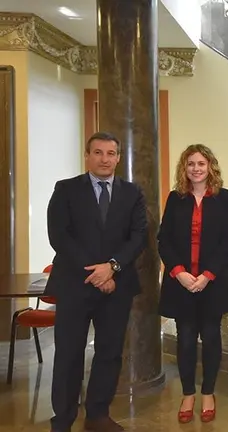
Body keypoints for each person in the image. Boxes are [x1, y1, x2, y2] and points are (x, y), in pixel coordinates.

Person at [46, 131, 148, 432]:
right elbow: (59, 236)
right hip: (74, 284)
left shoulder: (132, 193)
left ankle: (97, 415)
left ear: (118, 157)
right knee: (69, 354)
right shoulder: (66, 189)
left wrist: (112, 268)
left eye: (111, 153)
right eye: (98, 152)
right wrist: (97, 272)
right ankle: (63, 419)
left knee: (110, 353)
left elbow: (138, 236)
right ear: (87, 156)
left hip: (117, 286)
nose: (105, 159)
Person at [158, 144, 228, 424]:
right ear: (184, 168)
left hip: (211, 282)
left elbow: (227, 240)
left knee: (212, 338)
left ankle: (208, 393)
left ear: (210, 166)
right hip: (181, 282)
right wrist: (179, 272)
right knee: (186, 339)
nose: (196, 168)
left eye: (201, 163)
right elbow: (164, 240)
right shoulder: (175, 198)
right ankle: (188, 393)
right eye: (190, 163)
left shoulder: (225, 198)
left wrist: (207, 275)